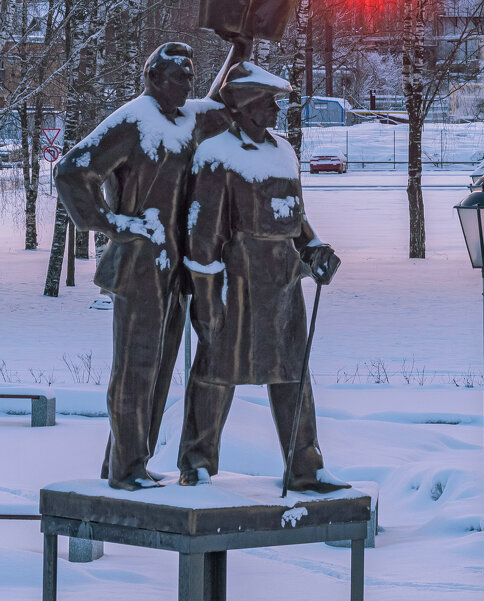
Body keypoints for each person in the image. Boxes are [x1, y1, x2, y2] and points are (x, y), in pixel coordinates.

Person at [54, 42, 234, 490]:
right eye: (177, 77)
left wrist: (242, 43)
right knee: (135, 369)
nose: (186, 85)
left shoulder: (187, 119)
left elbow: (223, 103)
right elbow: (71, 170)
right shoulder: (134, 120)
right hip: (139, 265)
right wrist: (114, 224)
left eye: (190, 78)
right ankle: (126, 469)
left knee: (158, 368)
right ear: (153, 77)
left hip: (173, 268)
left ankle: (128, 460)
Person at [177, 60, 350, 494]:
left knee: (293, 375)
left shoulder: (284, 151)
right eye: (269, 101)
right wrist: (206, 296)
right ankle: (196, 464)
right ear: (248, 105)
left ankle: (305, 467)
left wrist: (315, 248)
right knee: (217, 372)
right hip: (238, 282)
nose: (276, 108)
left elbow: (298, 217)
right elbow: (203, 235)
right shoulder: (217, 155)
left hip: (284, 283)